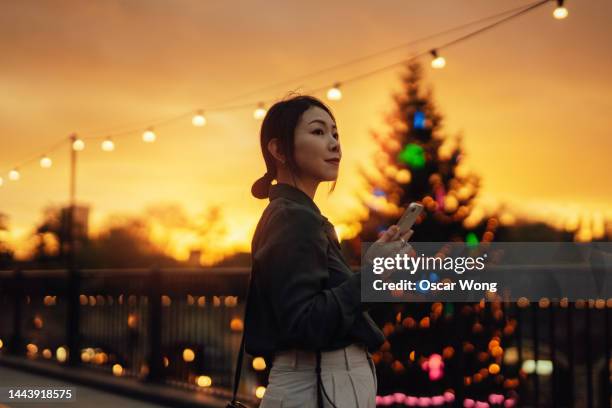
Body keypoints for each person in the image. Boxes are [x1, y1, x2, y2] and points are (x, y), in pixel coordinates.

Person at [245, 94, 413, 408]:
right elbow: (304, 323)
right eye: (319, 132)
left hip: (322, 384)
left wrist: (375, 268)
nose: (335, 143)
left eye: (335, 133)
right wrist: (371, 275)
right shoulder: (293, 217)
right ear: (279, 149)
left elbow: (336, 311)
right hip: (317, 385)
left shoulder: (299, 215)